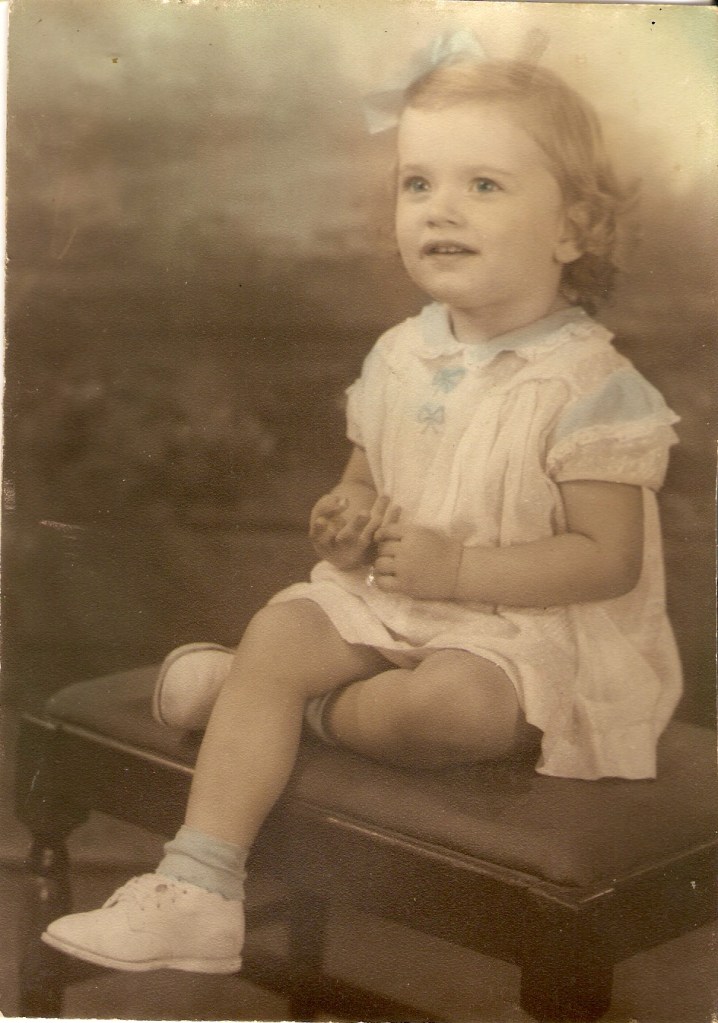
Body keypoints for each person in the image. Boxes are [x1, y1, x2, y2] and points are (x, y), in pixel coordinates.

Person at [42, 31, 682, 974]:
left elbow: (607, 558)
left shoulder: (592, 387)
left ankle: (263, 702)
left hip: (527, 636)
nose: (441, 209)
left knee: (453, 709)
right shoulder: (401, 354)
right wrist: (344, 516)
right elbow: (365, 478)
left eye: (484, 185)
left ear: (573, 229)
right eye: (418, 183)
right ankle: (199, 885)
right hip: (397, 603)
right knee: (282, 627)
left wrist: (460, 568)